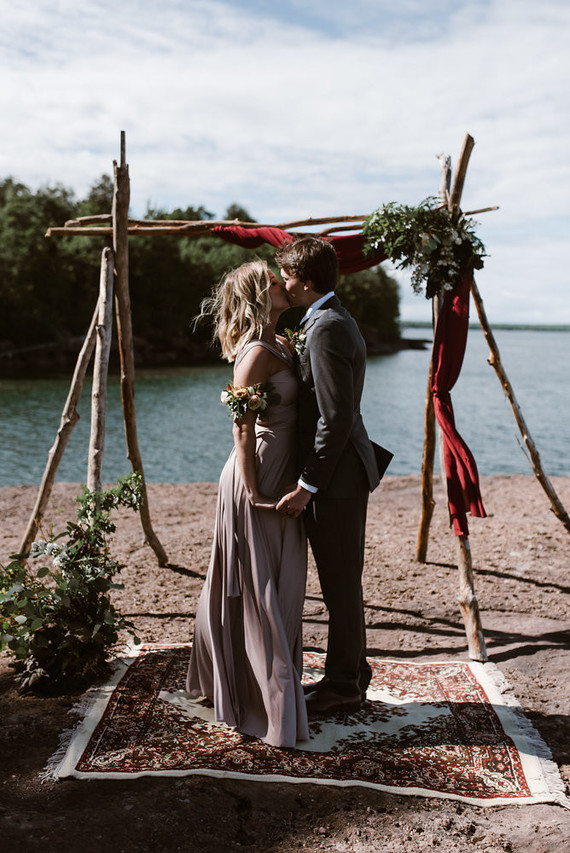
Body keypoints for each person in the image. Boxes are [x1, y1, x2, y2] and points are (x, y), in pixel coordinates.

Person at [186, 260, 309, 748]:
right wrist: (253, 489)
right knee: (256, 583)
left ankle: (253, 680)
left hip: (283, 469)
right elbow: (241, 427)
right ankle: (262, 698)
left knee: (283, 580)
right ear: (261, 293)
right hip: (257, 472)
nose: (283, 283)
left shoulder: (282, 342)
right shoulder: (254, 353)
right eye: (274, 280)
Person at [275, 237, 380, 716]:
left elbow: (334, 418)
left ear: (308, 280)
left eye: (288, 276)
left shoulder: (326, 328)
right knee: (344, 580)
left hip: (335, 481)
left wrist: (306, 485)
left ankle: (342, 685)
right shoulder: (327, 319)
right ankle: (352, 674)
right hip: (340, 475)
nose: (284, 283)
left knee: (339, 583)